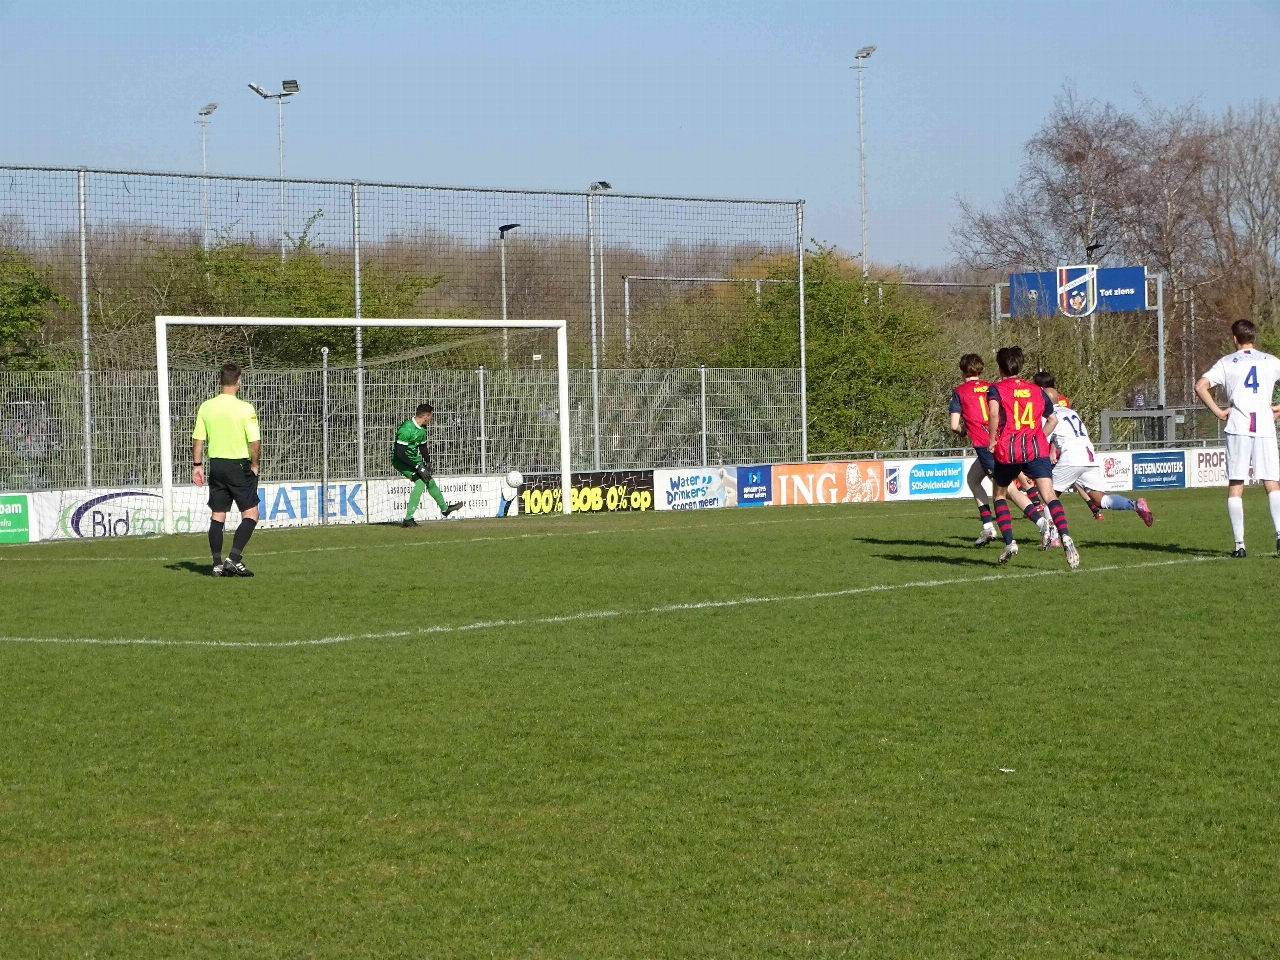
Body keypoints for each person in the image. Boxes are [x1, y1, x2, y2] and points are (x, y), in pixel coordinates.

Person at [986, 346, 1080, 568]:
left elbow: (992, 413)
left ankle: (1010, 542)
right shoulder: (1037, 390)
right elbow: (1053, 420)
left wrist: (992, 440)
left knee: (1000, 495)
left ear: (1000, 368)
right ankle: (1066, 537)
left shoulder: (996, 389)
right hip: (1035, 449)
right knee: (1049, 495)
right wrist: (1038, 439)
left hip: (1009, 449)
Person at [1194, 319, 1280, 557]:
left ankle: (1239, 545)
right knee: (1271, 482)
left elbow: (1200, 386)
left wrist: (1218, 411)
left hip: (1238, 426)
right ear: (1254, 337)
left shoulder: (1226, 363)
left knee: (1236, 485)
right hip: (1264, 426)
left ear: (1235, 338)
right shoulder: (1271, 361)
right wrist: (1278, 408)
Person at [949, 353, 1052, 547]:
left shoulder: (960, 391)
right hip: (1004, 441)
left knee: (1008, 491)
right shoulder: (992, 387)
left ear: (962, 371)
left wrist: (966, 430)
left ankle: (1043, 525)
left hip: (986, 445)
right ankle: (988, 527)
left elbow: (955, 425)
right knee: (973, 479)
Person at [1033, 371, 1154, 527]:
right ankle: (1135, 505)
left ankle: (1052, 535)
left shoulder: (1047, 416)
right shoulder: (1072, 412)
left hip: (1072, 457)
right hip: (1089, 456)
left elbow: (1042, 441)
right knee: (1099, 499)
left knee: (1048, 494)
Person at [192, 362, 260, 577]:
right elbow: (255, 442)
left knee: (218, 515)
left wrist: (197, 466)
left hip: (217, 465)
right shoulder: (245, 408)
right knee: (251, 513)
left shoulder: (207, 406)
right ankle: (233, 559)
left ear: (219, 382)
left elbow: (198, 440)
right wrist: (255, 464)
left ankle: (216, 565)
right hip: (238, 465)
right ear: (238, 382)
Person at [394, 402, 462, 527]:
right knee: (420, 483)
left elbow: (423, 446)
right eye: (431, 416)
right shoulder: (405, 429)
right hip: (401, 461)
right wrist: (418, 467)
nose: (432, 419)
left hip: (414, 459)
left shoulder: (422, 428)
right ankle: (408, 519)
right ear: (426, 416)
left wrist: (428, 461)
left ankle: (445, 509)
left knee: (429, 481)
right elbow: (400, 454)